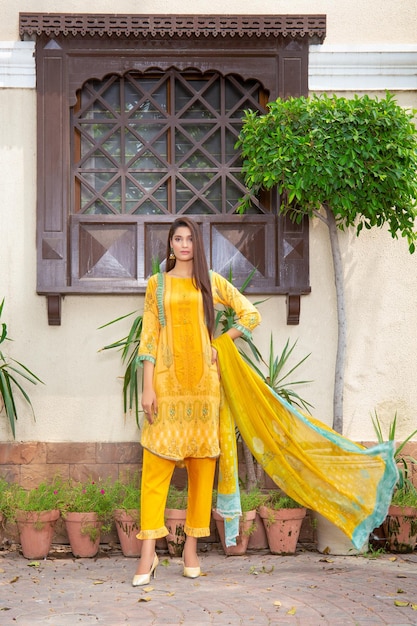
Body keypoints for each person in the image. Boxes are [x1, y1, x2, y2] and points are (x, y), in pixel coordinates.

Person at [132, 216, 261, 586]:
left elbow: (251, 314)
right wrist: (147, 386)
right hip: (166, 387)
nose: (184, 245)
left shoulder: (210, 282)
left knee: (202, 468)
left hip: (205, 388)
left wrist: (221, 343)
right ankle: (148, 553)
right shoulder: (156, 285)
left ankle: (191, 549)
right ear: (169, 244)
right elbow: (149, 339)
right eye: (177, 238)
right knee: (155, 468)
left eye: (189, 239)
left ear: (196, 245)